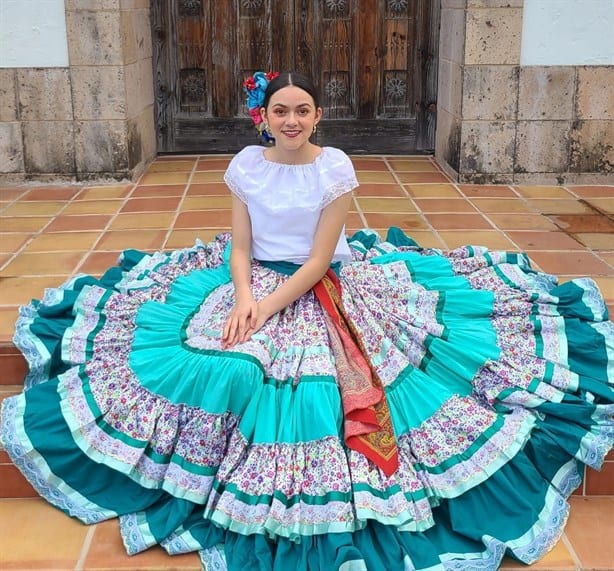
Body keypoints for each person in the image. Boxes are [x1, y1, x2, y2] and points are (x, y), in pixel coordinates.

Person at [1, 70, 613, 571]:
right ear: (262, 118)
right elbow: (238, 244)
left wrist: (267, 308)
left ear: (318, 116)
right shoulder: (245, 165)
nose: (290, 121)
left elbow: (320, 258)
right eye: (279, 111)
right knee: (203, 355)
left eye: (302, 110)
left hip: (323, 282)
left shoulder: (334, 168)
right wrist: (242, 295)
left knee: (374, 363)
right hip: (255, 274)